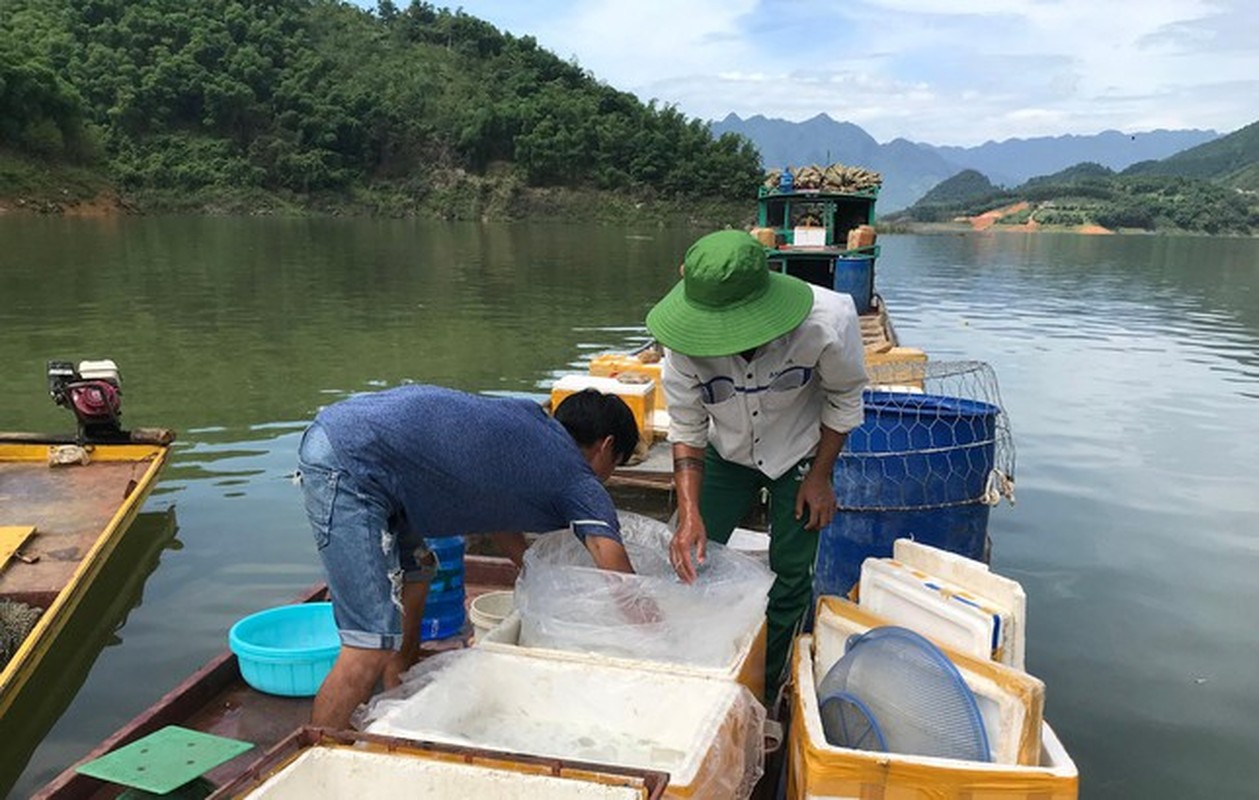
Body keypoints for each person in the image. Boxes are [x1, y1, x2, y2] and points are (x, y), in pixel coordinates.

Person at [296, 384, 640, 729]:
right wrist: (654, 628)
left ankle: (396, 693)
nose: (606, 479)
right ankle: (317, 755)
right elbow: (610, 560)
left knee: (418, 573)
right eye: (615, 465)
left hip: (375, 452)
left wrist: (536, 573)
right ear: (606, 446)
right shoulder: (574, 475)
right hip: (350, 464)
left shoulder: (530, 428)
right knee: (369, 645)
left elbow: (496, 517)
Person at [645, 229, 868, 699]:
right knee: (686, 557)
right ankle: (683, 663)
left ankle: (763, 690)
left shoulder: (829, 319)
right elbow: (685, 427)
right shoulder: (681, 341)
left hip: (799, 450)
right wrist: (689, 513)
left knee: (790, 574)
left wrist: (822, 476)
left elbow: (844, 397)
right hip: (724, 451)